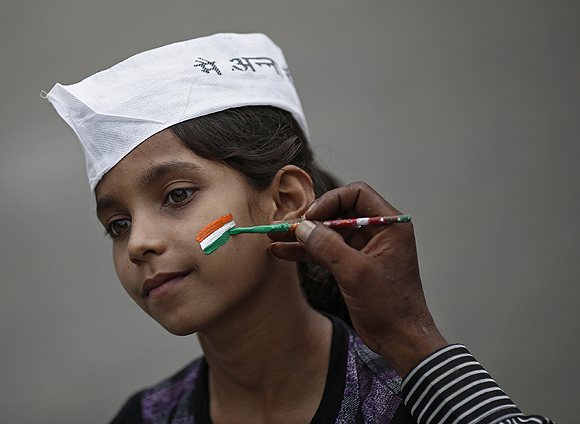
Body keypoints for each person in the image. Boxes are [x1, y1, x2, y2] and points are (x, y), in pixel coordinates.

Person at [44, 33, 554, 423]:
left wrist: (412, 340)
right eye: (117, 224)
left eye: (177, 195)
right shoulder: (148, 416)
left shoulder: (412, 401)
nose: (138, 243)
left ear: (285, 201)